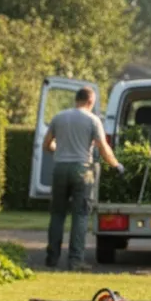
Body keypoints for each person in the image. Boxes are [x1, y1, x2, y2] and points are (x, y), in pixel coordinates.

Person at [43, 86, 122, 271]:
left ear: (76, 99)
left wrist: (60, 150)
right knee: (80, 215)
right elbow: (103, 148)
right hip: (82, 170)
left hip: (60, 169)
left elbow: (47, 144)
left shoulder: (59, 117)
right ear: (90, 101)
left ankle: (52, 259)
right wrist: (116, 165)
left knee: (57, 215)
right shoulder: (93, 120)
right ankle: (75, 260)